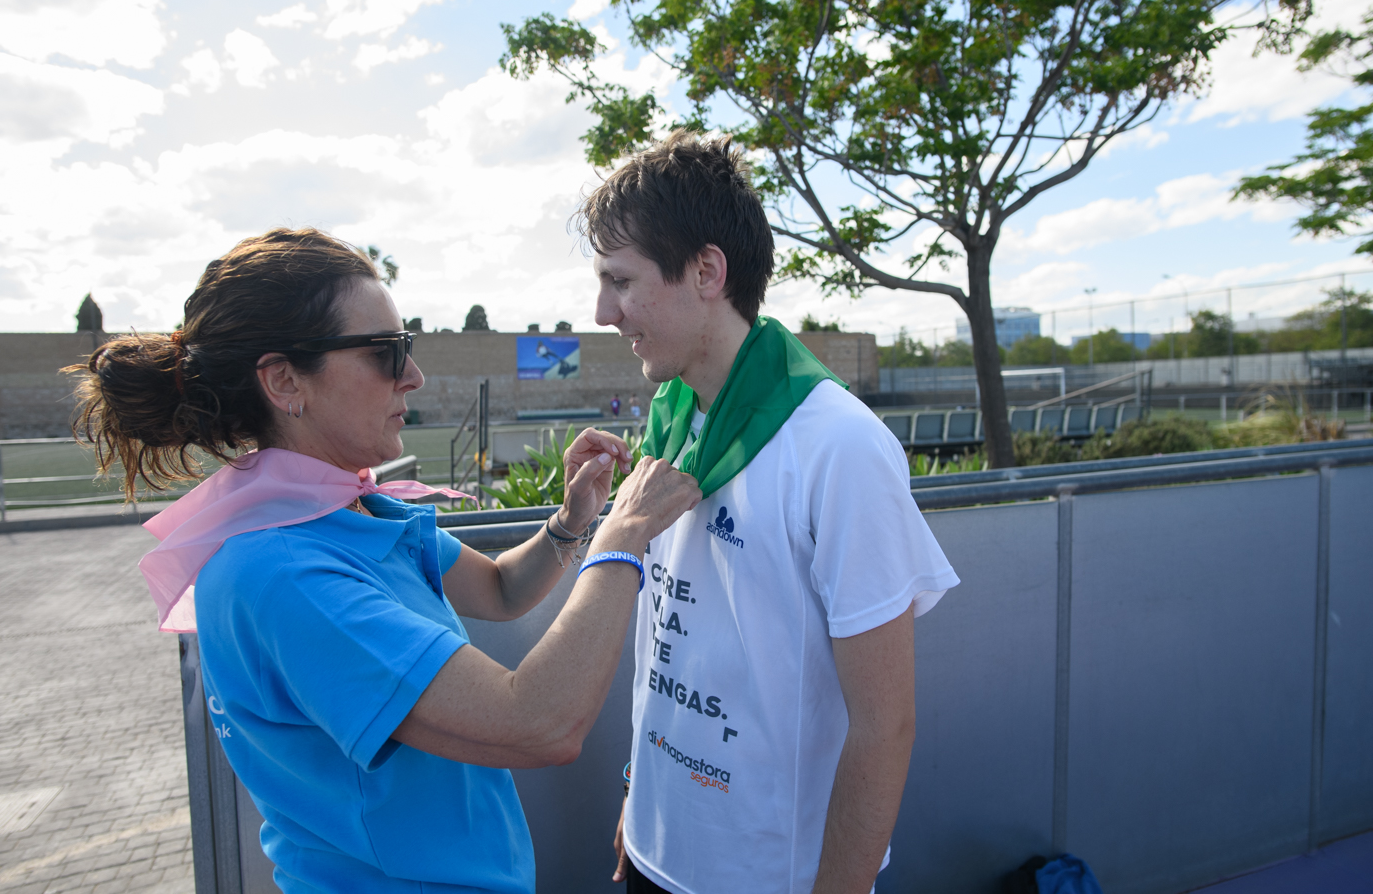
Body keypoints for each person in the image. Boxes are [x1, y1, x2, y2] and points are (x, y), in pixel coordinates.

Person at [67, 228, 701, 894]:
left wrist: (572, 520)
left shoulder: (350, 509)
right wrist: (622, 536)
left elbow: (503, 588)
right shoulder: (284, 572)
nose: (413, 375)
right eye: (384, 352)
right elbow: (538, 722)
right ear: (284, 380)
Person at [581, 133, 960, 894]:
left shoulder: (840, 447)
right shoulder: (673, 420)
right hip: (655, 847)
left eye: (620, 280)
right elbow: (669, 639)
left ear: (706, 272)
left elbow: (884, 727)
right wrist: (638, 790)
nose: (602, 311)